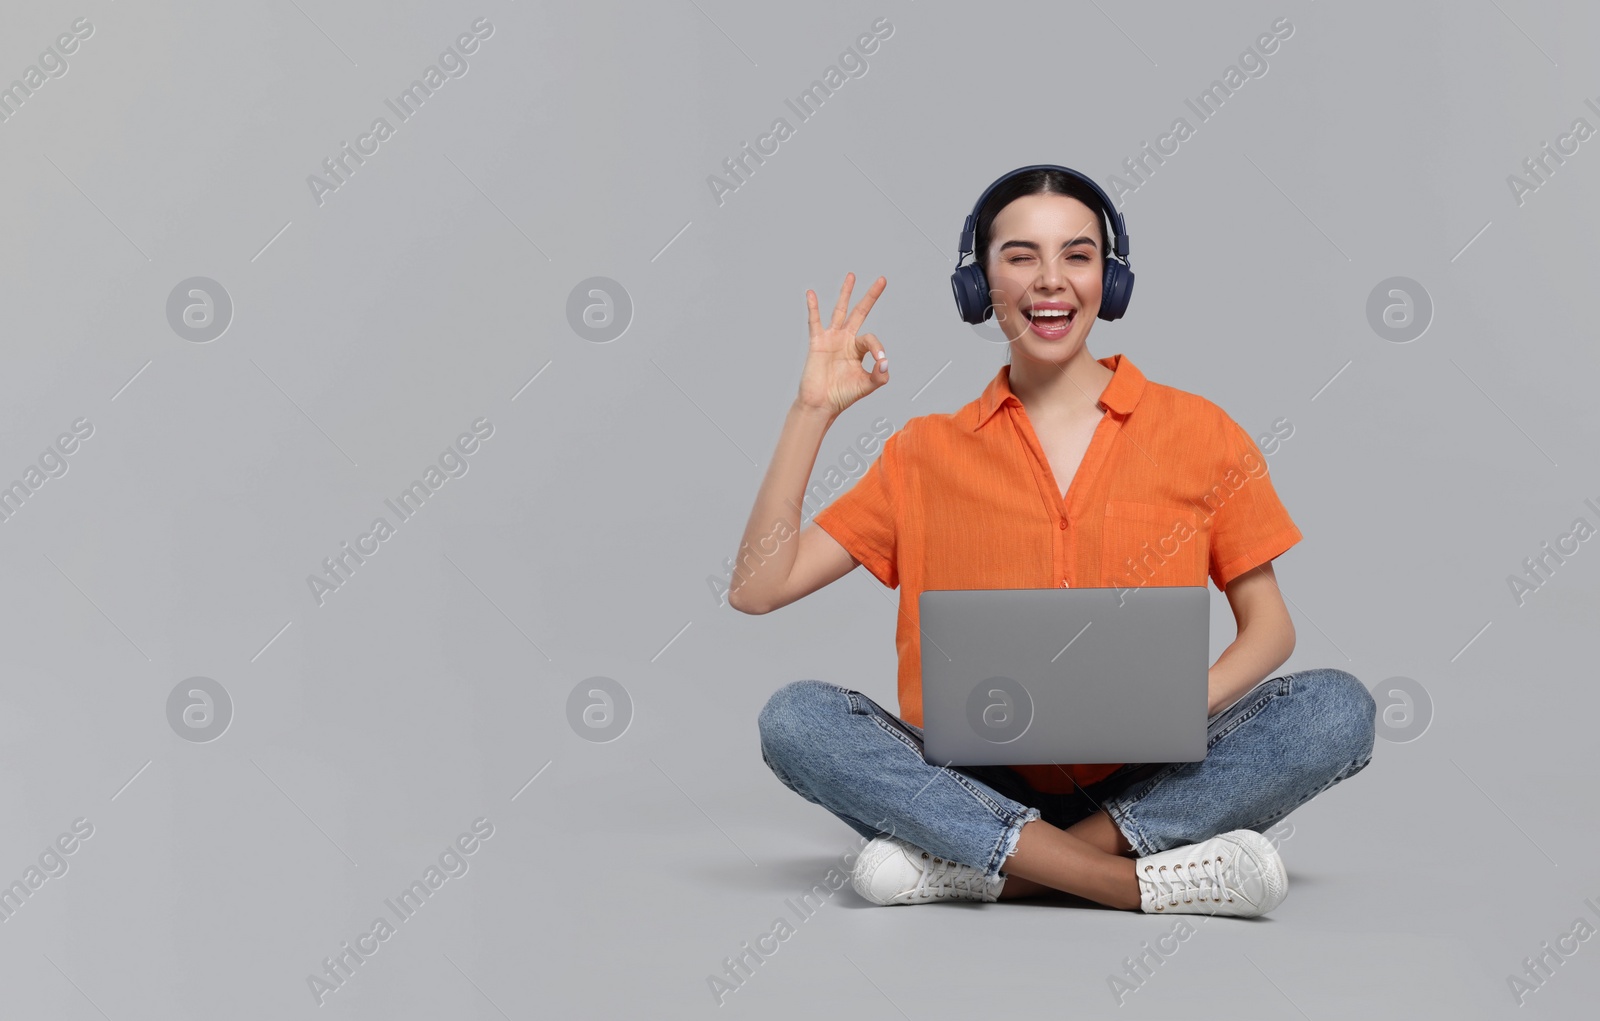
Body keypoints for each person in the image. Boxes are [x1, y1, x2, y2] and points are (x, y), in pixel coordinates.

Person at [729, 165, 1375, 918]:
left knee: (1338, 709)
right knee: (796, 719)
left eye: (1077, 255)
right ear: (980, 284)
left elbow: (1272, 629)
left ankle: (982, 863)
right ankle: (1129, 880)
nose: (1050, 281)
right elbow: (757, 585)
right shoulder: (922, 451)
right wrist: (811, 411)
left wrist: (1179, 701)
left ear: (1111, 279)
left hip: (1151, 772)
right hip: (973, 777)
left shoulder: (1202, 432)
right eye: (1019, 256)